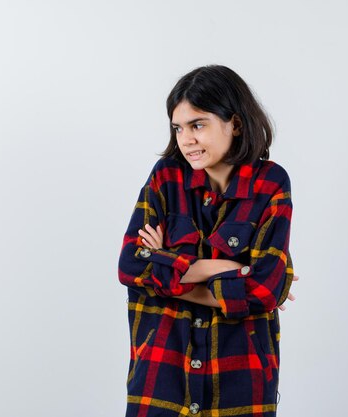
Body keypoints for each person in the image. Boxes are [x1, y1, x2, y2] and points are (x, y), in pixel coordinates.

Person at [118, 64, 298, 417]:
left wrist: (167, 269)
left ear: (235, 123)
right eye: (178, 128)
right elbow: (130, 266)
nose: (186, 139)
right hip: (161, 375)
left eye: (198, 125)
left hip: (240, 381)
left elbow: (265, 290)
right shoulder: (166, 178)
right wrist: (226, 267)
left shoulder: (271, 184)